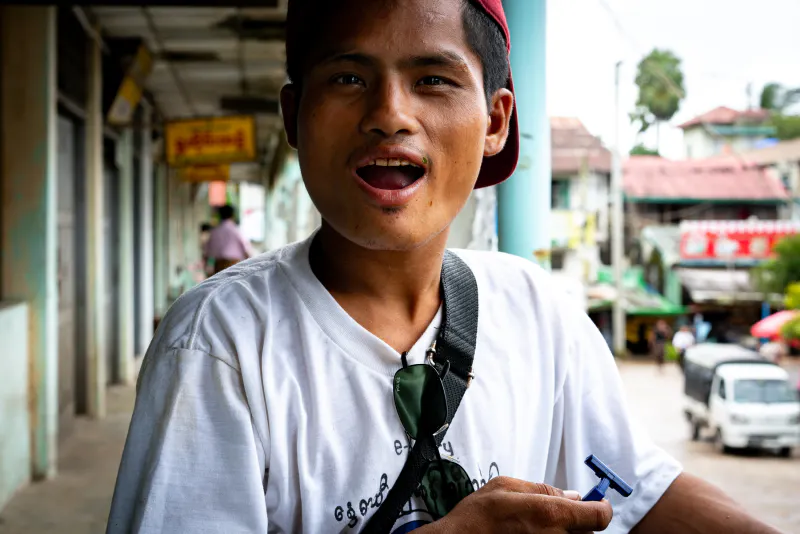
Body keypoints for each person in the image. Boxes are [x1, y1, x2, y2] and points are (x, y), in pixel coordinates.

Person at [105, 1, 781, 533]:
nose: (390, 114)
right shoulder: (220, 341)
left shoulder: (536, 311)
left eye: (432, 79)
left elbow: (642, 495)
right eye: (347, 77)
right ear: (294, 116)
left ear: (495, 121)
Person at [202, 204, 255, 275]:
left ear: (220, 215)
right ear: (233, 215)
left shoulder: (214, 231)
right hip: (234, 265)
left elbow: (207, 251)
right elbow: (245, 249)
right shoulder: (236, 230)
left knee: (220, 285)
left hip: (218, 266)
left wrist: (206, 267)